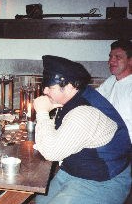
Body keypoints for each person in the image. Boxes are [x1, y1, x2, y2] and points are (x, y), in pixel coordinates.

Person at [33, 55, 131, 204]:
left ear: (70, 86)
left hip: (104, 181)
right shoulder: (73, 98)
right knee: (40, 199)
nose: (45, 90)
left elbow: (50, 152)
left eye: (50, 87)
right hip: (75, 170)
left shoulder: (83, 112)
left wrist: (42, 112)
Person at [97, 39, 132, 143]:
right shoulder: (111, 80)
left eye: (118, 57)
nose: (111, 61)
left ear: (130, 61)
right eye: (110, 56)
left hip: (125, 147)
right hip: (105, 141)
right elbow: (92, 99)